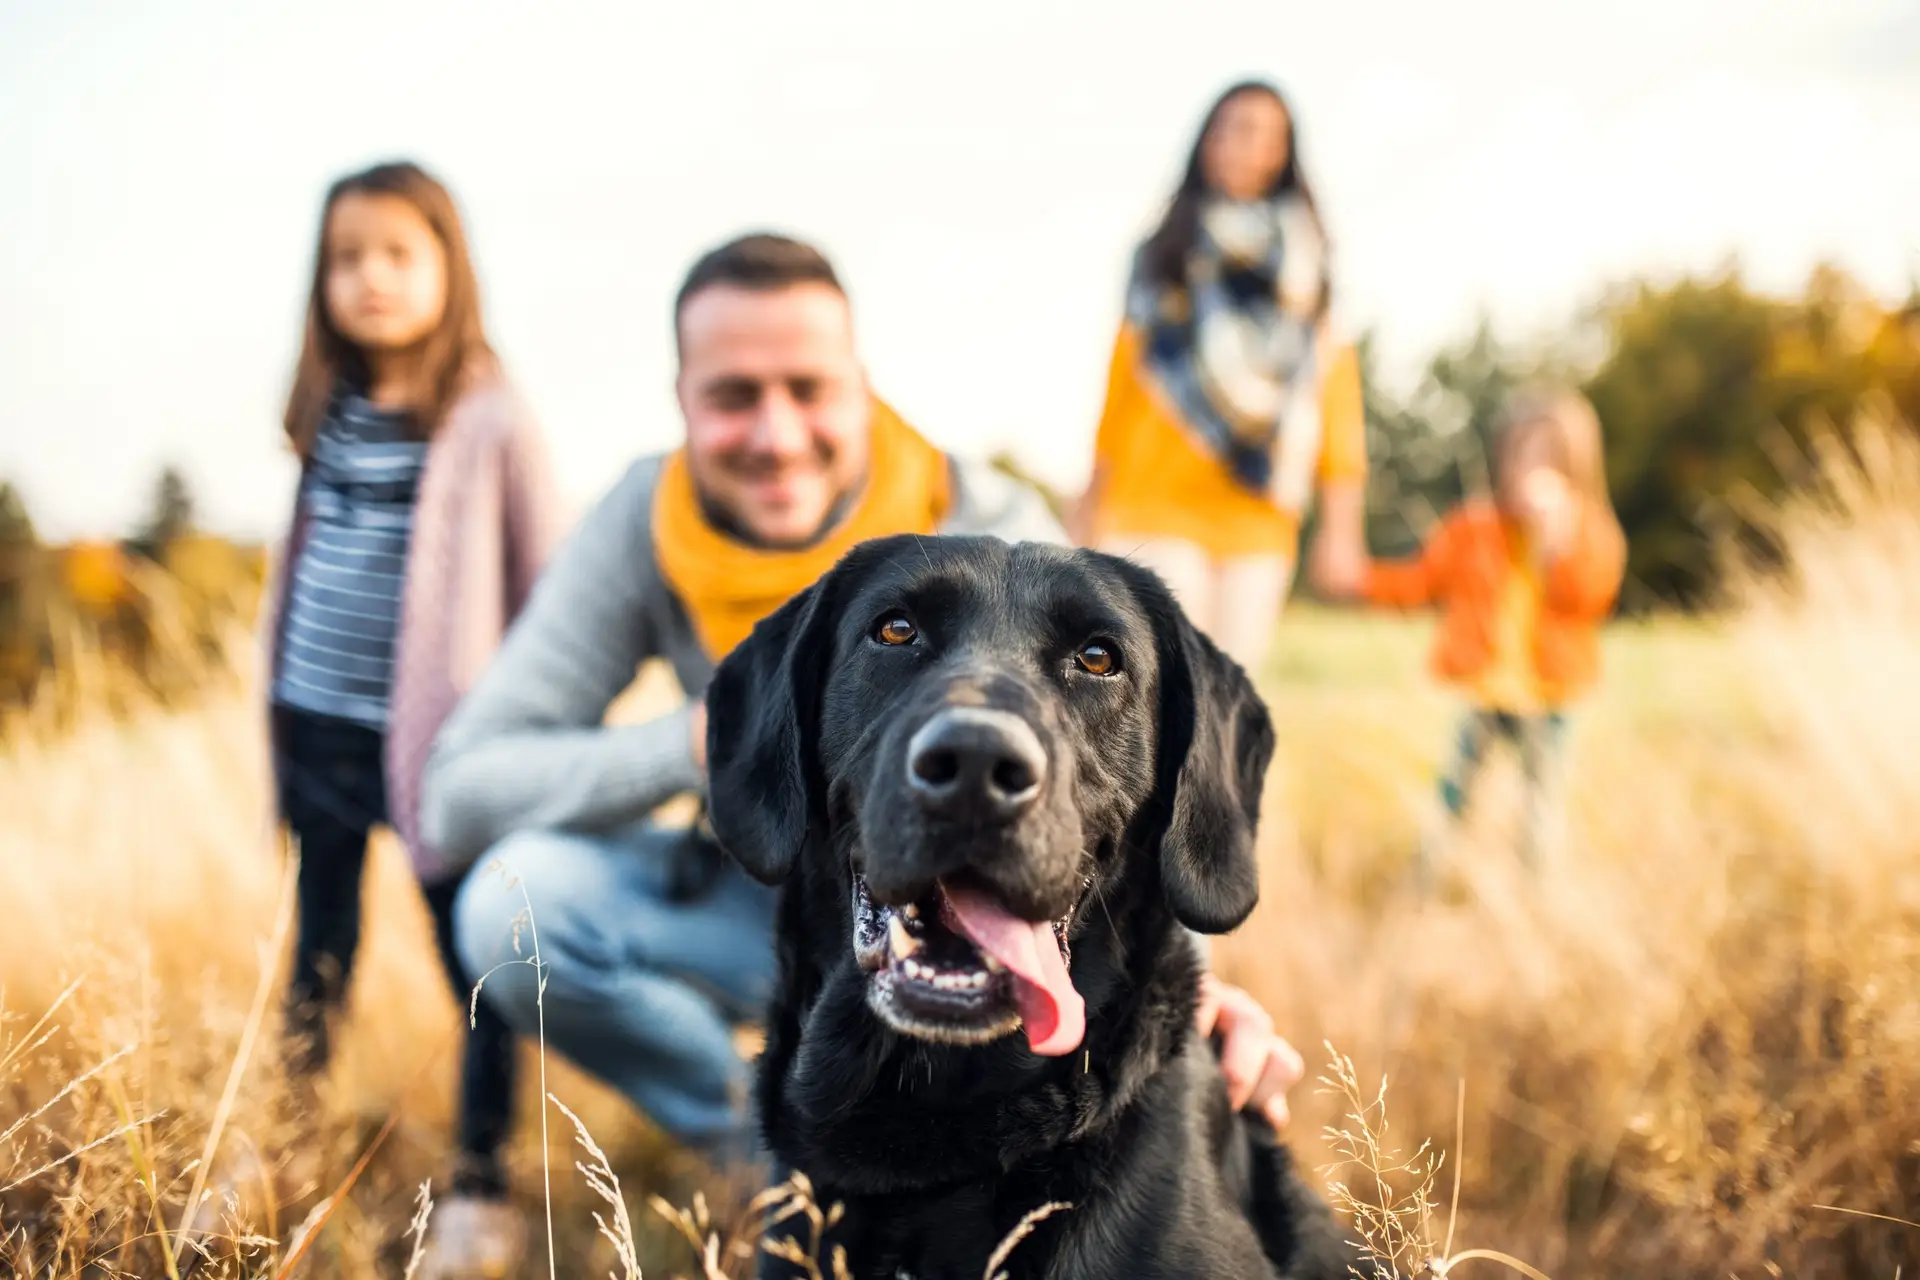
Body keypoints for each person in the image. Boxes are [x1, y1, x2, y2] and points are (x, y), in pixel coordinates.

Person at [426, 233, 1309, 1204]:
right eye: (732, 395)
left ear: (862, 386)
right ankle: (779, 1150)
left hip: (966, 885)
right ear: (681, 399)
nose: (776, 432)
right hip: (753, 887)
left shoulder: (992, 517)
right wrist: (696, 743)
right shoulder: (643, 520)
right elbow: (460, 793)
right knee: (513, 903)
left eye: (808, 388)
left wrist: (1196, 990)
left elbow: (1116, 762)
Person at [256, 160, 563, 1272]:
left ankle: (483, 1180)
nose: (371, 279)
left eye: (397, 254)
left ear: (448, 267)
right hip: (319, 727)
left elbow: (550, 582)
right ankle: (284, 1144)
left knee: (475, 954)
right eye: (347, 259)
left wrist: (528, 727)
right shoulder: (326, 409)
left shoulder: (488, 410)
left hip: (443, 749)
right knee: (319, 947)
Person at [1076, 79, 1369, 670]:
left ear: (1283, 155)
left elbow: (1334, 399)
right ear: (1206, 141)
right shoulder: (1163, 253)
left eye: (1266, 135)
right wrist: (1087, 502)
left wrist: (1342, 529)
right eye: (1232, 127)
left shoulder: (1310, 270)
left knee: (1227, 697)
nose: (1245, 145)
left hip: (1258, 515)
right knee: (1155, 683)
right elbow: (1122, 387)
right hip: (1151, 503)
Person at [1350, 386, 1626, 875]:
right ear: (1505, 460)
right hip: (1486, 691)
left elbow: (1591, 597)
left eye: (1550, 456)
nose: (1534, 470)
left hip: (1551, 697)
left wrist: (1556, 540)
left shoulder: (1591, 532)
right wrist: (1359, 580)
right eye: (1524, 454)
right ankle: (1426, 878)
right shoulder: (1473, 529)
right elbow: (1420, 581)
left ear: (1577, 465)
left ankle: (1537, 889)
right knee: (1454, 794)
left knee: (1540, 805)